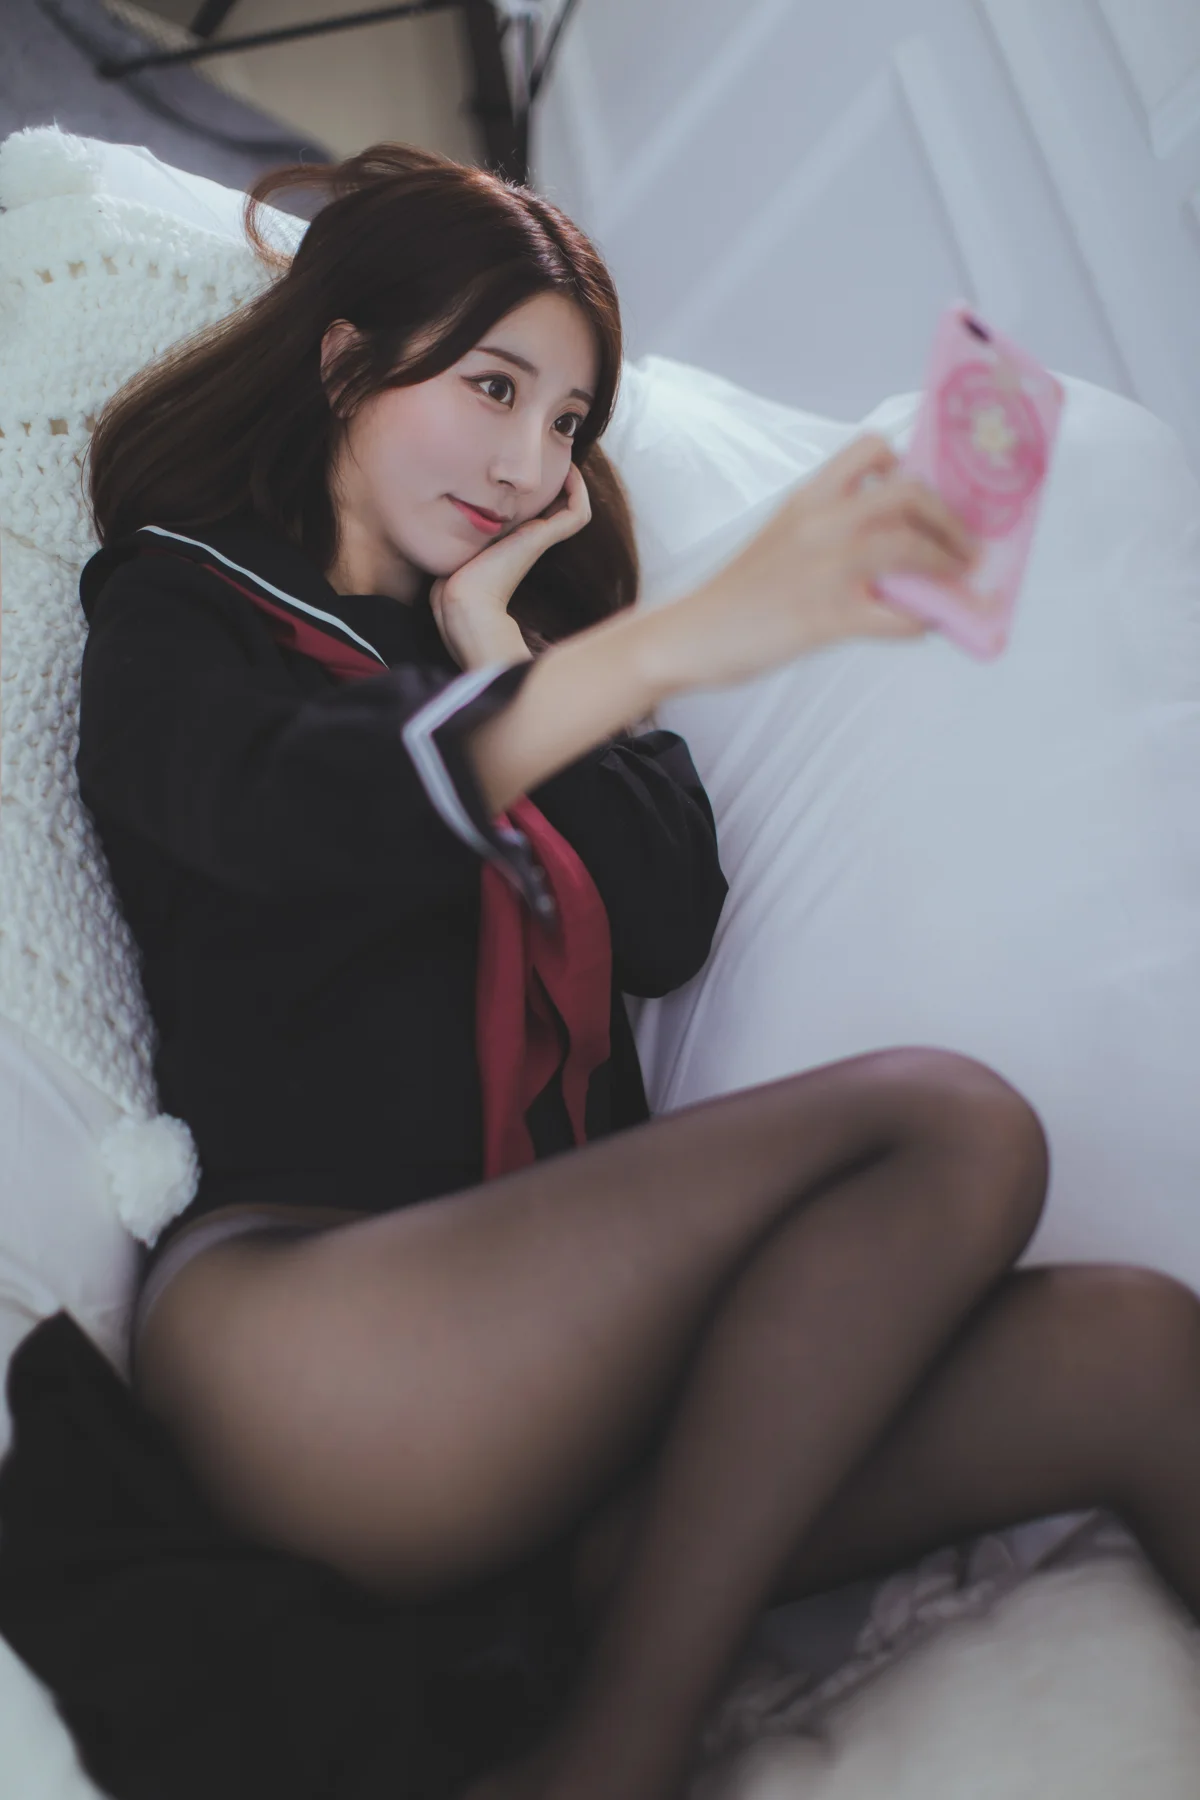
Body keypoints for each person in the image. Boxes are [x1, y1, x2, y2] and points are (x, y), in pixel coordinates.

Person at [75, 142, 1200, 1800]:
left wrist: (498, 637)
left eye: (570, 424)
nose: (531, 461)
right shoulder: (182, 609)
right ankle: (620, 1750)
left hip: (570, 1423)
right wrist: (660, 646)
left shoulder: (526, 668)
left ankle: (605, 1655)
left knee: (1142, 1351)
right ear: (345, 359)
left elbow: (670, 913)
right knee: (952, 1124)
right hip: (316, 1341)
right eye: (493, 387)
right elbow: (302, 807)